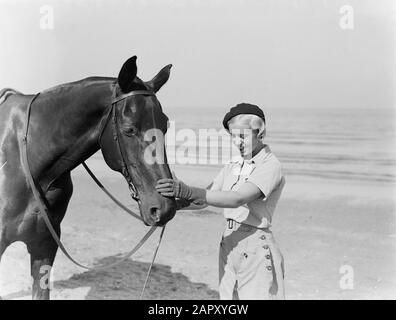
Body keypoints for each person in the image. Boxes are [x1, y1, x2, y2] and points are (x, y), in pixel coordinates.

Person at [155, 103, 286, 300]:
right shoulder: (233, 164)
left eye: (243, 136)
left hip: (255, 247)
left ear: (260, 133)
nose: (237, 142)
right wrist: (173, 203)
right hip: (229, 243)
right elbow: (205, 199)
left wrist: (187, 190)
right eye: (233, 136)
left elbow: (238, 198)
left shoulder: (270, 165)